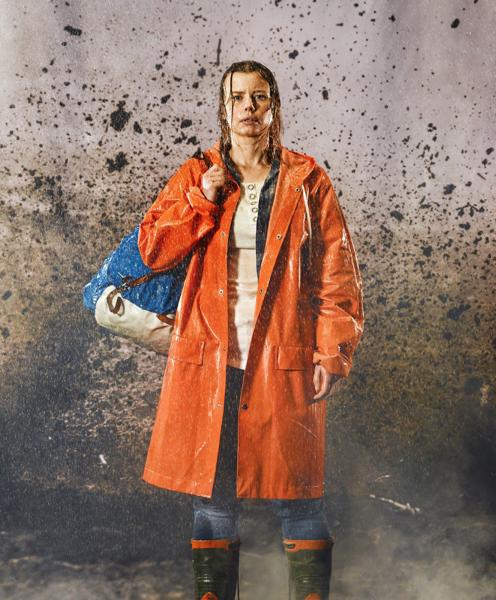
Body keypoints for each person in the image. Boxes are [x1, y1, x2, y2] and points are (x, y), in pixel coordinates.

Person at [138, 60, 363, 600]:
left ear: (273, 106)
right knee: (214, 501)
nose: (248, 108)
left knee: (300, 499)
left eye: (259, 97)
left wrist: (331, 351)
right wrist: (201, 201)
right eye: (237, 97)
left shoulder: (308, 180)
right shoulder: (198, 173)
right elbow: (153, 250)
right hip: (212, 363)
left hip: (283, 359)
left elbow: (336, 273)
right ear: (224, 108)